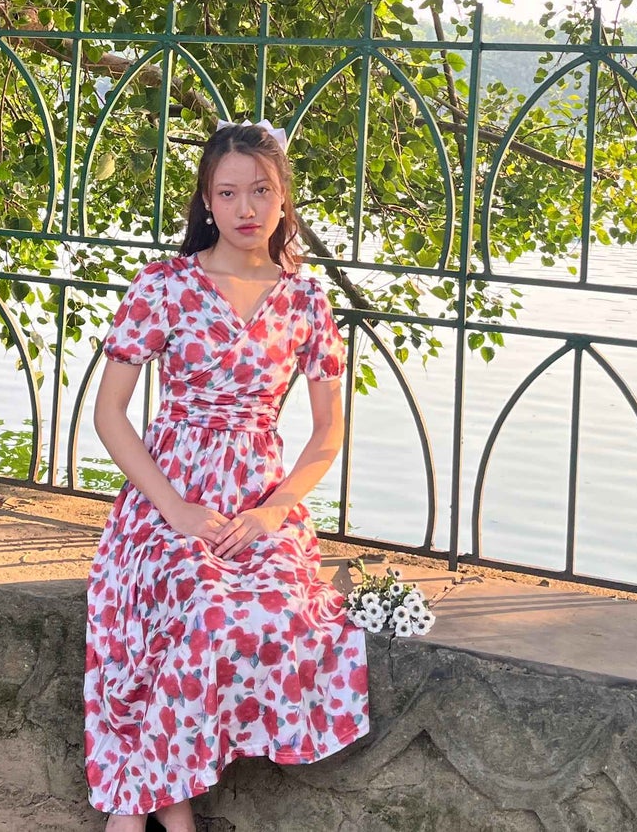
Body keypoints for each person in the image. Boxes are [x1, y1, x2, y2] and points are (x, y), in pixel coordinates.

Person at [82, 121, 370, 830]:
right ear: (207, 202)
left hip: (258, 501)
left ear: (283, 198)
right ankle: (167, 810)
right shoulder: (165, 286)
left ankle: (139, 805)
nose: (246, 208)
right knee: (198, 602)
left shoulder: (305, 299)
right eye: (229, 193)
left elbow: (327, 432)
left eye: (261, 191)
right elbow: (110, 414)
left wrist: (274, 512)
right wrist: (174, 509)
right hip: (167, 495)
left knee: (269, 614)